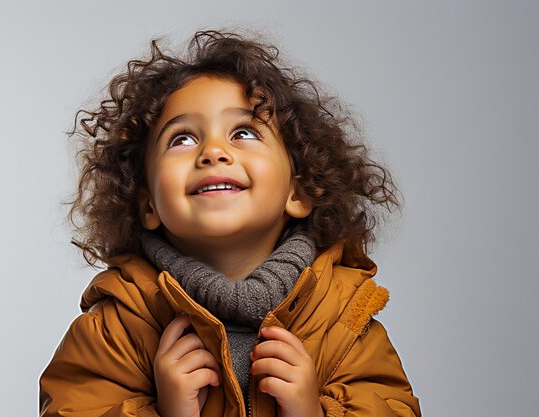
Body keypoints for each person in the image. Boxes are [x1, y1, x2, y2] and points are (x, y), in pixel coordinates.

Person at [39, 30, 421, 417]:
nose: (213, 152)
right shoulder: (117, 329)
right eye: (182, 139)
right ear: (148, 202)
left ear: (299, 191)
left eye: (243, 132)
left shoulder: (343, 320)